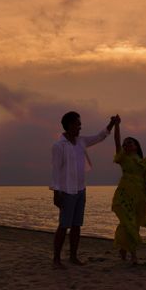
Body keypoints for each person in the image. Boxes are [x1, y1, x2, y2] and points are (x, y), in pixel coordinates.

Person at [50, 111, 119, 268]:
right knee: (63, 225)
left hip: (81, 190)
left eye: (80, 124)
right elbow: (55, 171)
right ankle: (56, 259)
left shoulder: (81, 141)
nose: (80, 126)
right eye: (77, 123)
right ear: (69, 125)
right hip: (67, 191)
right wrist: (56, 192)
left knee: (76, 225)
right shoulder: (59, 145)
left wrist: (112, 124)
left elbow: (99, 136)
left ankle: (73, 256)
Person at [111, 116, 146, 264]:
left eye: (130, 142)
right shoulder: (123, 158)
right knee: (127, 223)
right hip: (124, 196)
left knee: (133, 225)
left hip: (139, 197)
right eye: (125, 144)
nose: (126, 145)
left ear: (136, 146)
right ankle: (133, 256)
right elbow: (117, 142)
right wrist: (117, 125)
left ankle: (124, 251)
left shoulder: (144, 162)